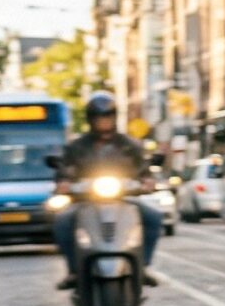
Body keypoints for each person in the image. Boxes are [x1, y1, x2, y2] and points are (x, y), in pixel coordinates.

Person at [50, 92, 159, 290]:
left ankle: (142, 266)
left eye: (107, 117)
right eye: (99, 118)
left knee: (153, 216)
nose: (103, 122)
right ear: (91, 119)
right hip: (85, 201)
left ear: (114, 118)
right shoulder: (77, 146)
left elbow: (144, 169)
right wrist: (63, 182)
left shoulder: (130, 145)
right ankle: (74, 271)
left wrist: (147, 180)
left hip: (124, 199)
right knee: (63, 220)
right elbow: (64, 168)